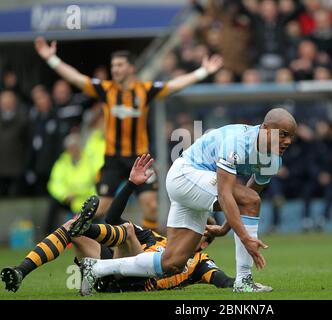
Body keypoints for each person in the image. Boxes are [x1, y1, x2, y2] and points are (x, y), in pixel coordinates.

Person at [78, 108, 297, 295]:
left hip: (198, 184)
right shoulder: (238, 141)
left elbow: (245, 200)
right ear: (267, 129)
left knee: (172, 262)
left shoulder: (273, 160)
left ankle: (96, 268)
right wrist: (245, 237)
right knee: (248, 198)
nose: (287, 141)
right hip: (185, 176)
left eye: (291, 137)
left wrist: (224, 227)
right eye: (284, 134)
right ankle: (244, 280)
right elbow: (227, 194)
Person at [34, 37, 223, 231]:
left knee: (151, 206)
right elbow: (76, 78)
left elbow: (174, 85)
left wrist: (203, 71)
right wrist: (52, 59)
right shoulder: (105, 90)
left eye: (119, 65)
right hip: (113, 159)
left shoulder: (144, 90)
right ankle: (71, 234)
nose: (115, 69)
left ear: (131, 68)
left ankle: (149, 248)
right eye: (113, 65)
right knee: (101, 208)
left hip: (140, 158)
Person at [1, 155, 233, 293]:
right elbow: (112, 219)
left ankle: (88, 227)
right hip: (106, 276)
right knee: (72, 227)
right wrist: (131, 184)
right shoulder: (156, 239)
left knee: (128, 231)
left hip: (137, 281)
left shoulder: (200, 263)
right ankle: (21, 271)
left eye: (196, 230)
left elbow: (225, 282)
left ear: (203, 242)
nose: (185, 229)